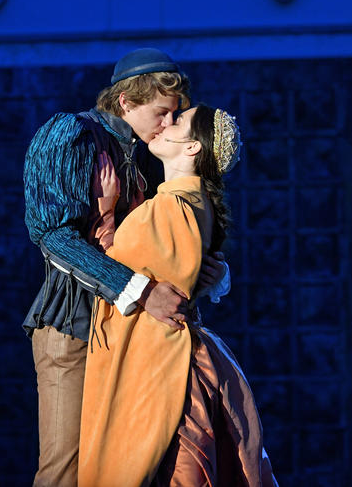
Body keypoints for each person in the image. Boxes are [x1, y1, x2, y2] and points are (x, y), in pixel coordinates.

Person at [23, 49, 230, 487]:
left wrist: (209, 272)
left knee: (124, 468)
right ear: (126, 102)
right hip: (75, 327)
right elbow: (52, 235)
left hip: (132, 337)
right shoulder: (71, 135)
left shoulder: (150, 153)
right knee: (65, 468)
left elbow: (163, 240)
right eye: (161, 112)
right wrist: (141, 290)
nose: (168, 123)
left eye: (175, 114)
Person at [79, 104, 278, 487]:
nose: (166, 122)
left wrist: (105, 213)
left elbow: (118, 267)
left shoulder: (174, 207)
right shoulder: (183, 202)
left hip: (162, 368)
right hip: (169, 361)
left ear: (192, 147)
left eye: (179, 120)